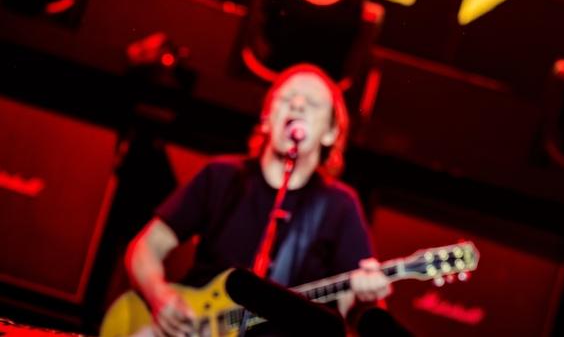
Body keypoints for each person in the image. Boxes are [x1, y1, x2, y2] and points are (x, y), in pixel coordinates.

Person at [125, 63, 390, 337]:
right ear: (267, 116)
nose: (298, 105)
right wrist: (160, 297)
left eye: (312, 103)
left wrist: (365, 297)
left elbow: (353, 309)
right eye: (287, 98)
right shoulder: (221, 175)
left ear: (331, 132)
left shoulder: (340, 205)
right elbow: (144, 248)